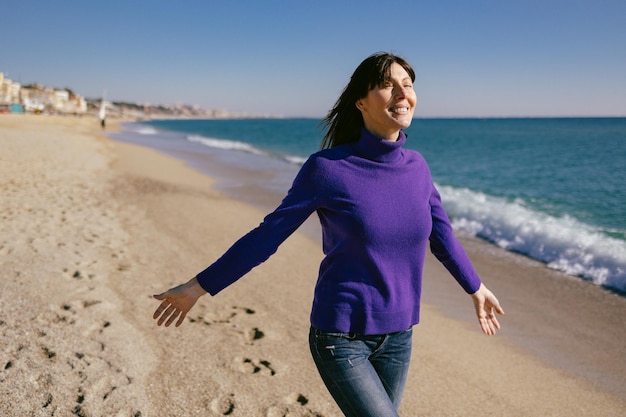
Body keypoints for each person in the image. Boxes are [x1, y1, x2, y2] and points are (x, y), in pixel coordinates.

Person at [153, 52, 505, 417]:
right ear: (360, 102)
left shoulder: (417, 167)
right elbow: (267, 237)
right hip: (341, 338)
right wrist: (198, 286)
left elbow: (441, 234)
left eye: (408, 85)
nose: (403, 94)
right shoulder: (327, 169)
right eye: (388, 85)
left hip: (400, 335)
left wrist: (475, 288)